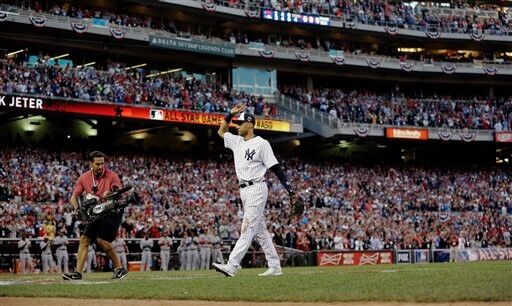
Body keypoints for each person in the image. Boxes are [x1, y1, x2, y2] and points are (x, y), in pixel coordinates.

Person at [213, 104, 294, 277]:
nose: (237, 125)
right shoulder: (237, 141)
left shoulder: (261, 144)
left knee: (247, 227)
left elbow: (276, 168)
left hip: (257, 187)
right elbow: (221, 131)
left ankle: (232, 265)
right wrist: (229, 113)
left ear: (249, 124)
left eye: (240, 123)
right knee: (260, 231)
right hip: (244, 191)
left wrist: (290, 190)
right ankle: (275, 266)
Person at [63, 151, 128, 280]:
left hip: (112, 210)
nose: (100, 166)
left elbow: (118, 192)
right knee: (84, 239)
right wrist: (77, 209)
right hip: (96, 211)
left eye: (102, 163)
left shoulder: (112, 175)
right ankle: (78, 273)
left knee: (101, 239)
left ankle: (120, 269)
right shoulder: (84, 177)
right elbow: (74, 197)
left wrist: (111, 194)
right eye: (97, 164)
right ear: (91, 163)